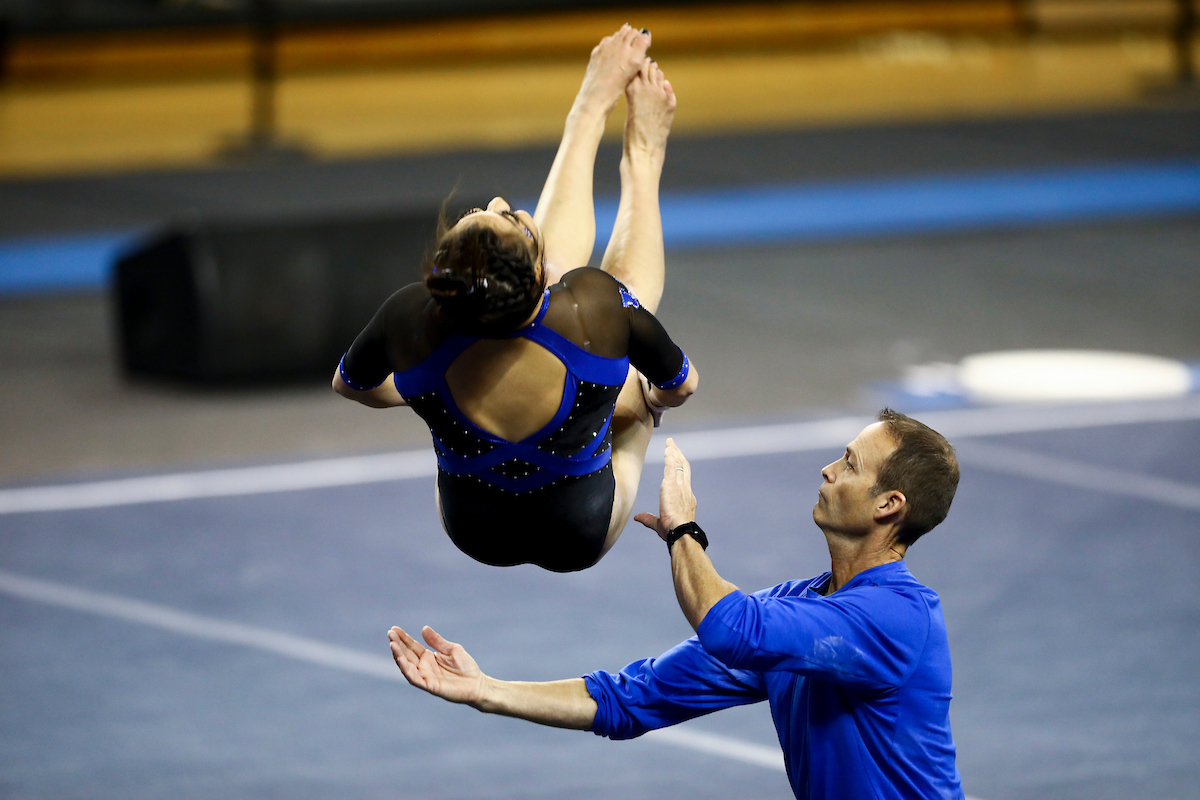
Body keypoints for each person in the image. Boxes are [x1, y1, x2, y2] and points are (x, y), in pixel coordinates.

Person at [388, 409, 965, 800]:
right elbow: (632, 699)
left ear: (889, 505)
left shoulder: (897, 619)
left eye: (849, 464)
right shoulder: (804, 612)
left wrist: (684, 529)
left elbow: (729, 627)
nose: (828, 470)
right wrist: (487, 689)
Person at [333, 27, 698, 572]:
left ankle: (588, 109)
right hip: (579, 529)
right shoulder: (589, 305)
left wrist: (423, 389)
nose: (501, 199)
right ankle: (641, 157)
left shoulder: (408, 317)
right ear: (541, 271)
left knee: (588, 327)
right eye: (503, 214)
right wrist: (645, 400)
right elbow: (681, 387)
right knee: (622, 346)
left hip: (474, 527)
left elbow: (352, 387)